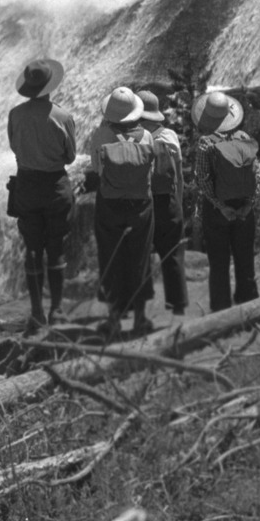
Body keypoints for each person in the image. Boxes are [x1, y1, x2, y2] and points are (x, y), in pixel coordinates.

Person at [7, 56, 77, 333]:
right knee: (56, 247)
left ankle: (36, 312)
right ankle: (57, 310)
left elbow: (14, 147)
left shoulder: (15, 115)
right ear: (50, 86)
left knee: (32, 249)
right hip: (55, 186)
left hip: (26, 185)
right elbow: (70, 157)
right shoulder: (63, 116)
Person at [90, 87, 156, 340]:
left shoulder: (101, 134)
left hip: (110, 204)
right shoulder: (148, 137)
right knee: (140, 258)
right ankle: (140, 318)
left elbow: (97, 169)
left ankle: (114, 319)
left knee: (110, 257)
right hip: (141, 205)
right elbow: (153, 168)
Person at [193, 89, 260, 312]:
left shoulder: (205, 143)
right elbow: (255, 176)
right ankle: (248, 303)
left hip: (217, 211)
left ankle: (221, 309)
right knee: (245, 260)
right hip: (245, 207)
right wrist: (249, 205)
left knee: (219, 263)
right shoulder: (245, 139)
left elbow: (202, 180)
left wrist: (221, 207)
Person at [138, 90, 189, 317]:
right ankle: (178, 303)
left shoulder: (135, 138)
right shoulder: (169, 135)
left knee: (140, 255)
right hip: (167, 200)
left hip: (143, 201)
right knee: (173, 253)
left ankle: (140, 307)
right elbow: (178, 174)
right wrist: (178, 202)